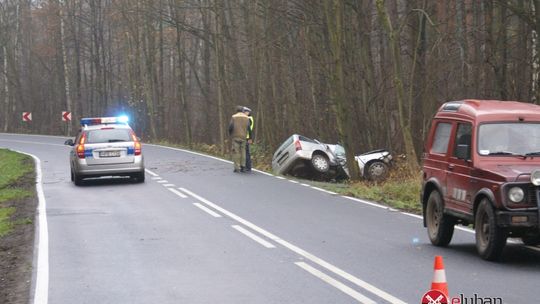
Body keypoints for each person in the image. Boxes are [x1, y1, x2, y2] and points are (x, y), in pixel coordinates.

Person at [228, 106, 252, 172]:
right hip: (244, 137)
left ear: (236, 110)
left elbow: (230, 127)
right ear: (242, 111)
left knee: (236, 152)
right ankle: (243, 167)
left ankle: (237, 167)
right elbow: (249, 129)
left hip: (235, 136)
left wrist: (230, 134)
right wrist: (250, 137)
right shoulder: (246, 117)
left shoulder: (234, 117)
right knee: (243, 152)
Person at [243, 107, 254, 172]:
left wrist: (250, 138)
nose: (244, 113)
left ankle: (248, 167)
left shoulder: (248, 119)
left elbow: (248, 129)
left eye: (245, 112)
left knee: (246, 153)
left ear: (248, 112)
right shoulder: (249, 118)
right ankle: (247, 167)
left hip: (246, 138)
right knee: (246, 153)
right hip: (247, 137)